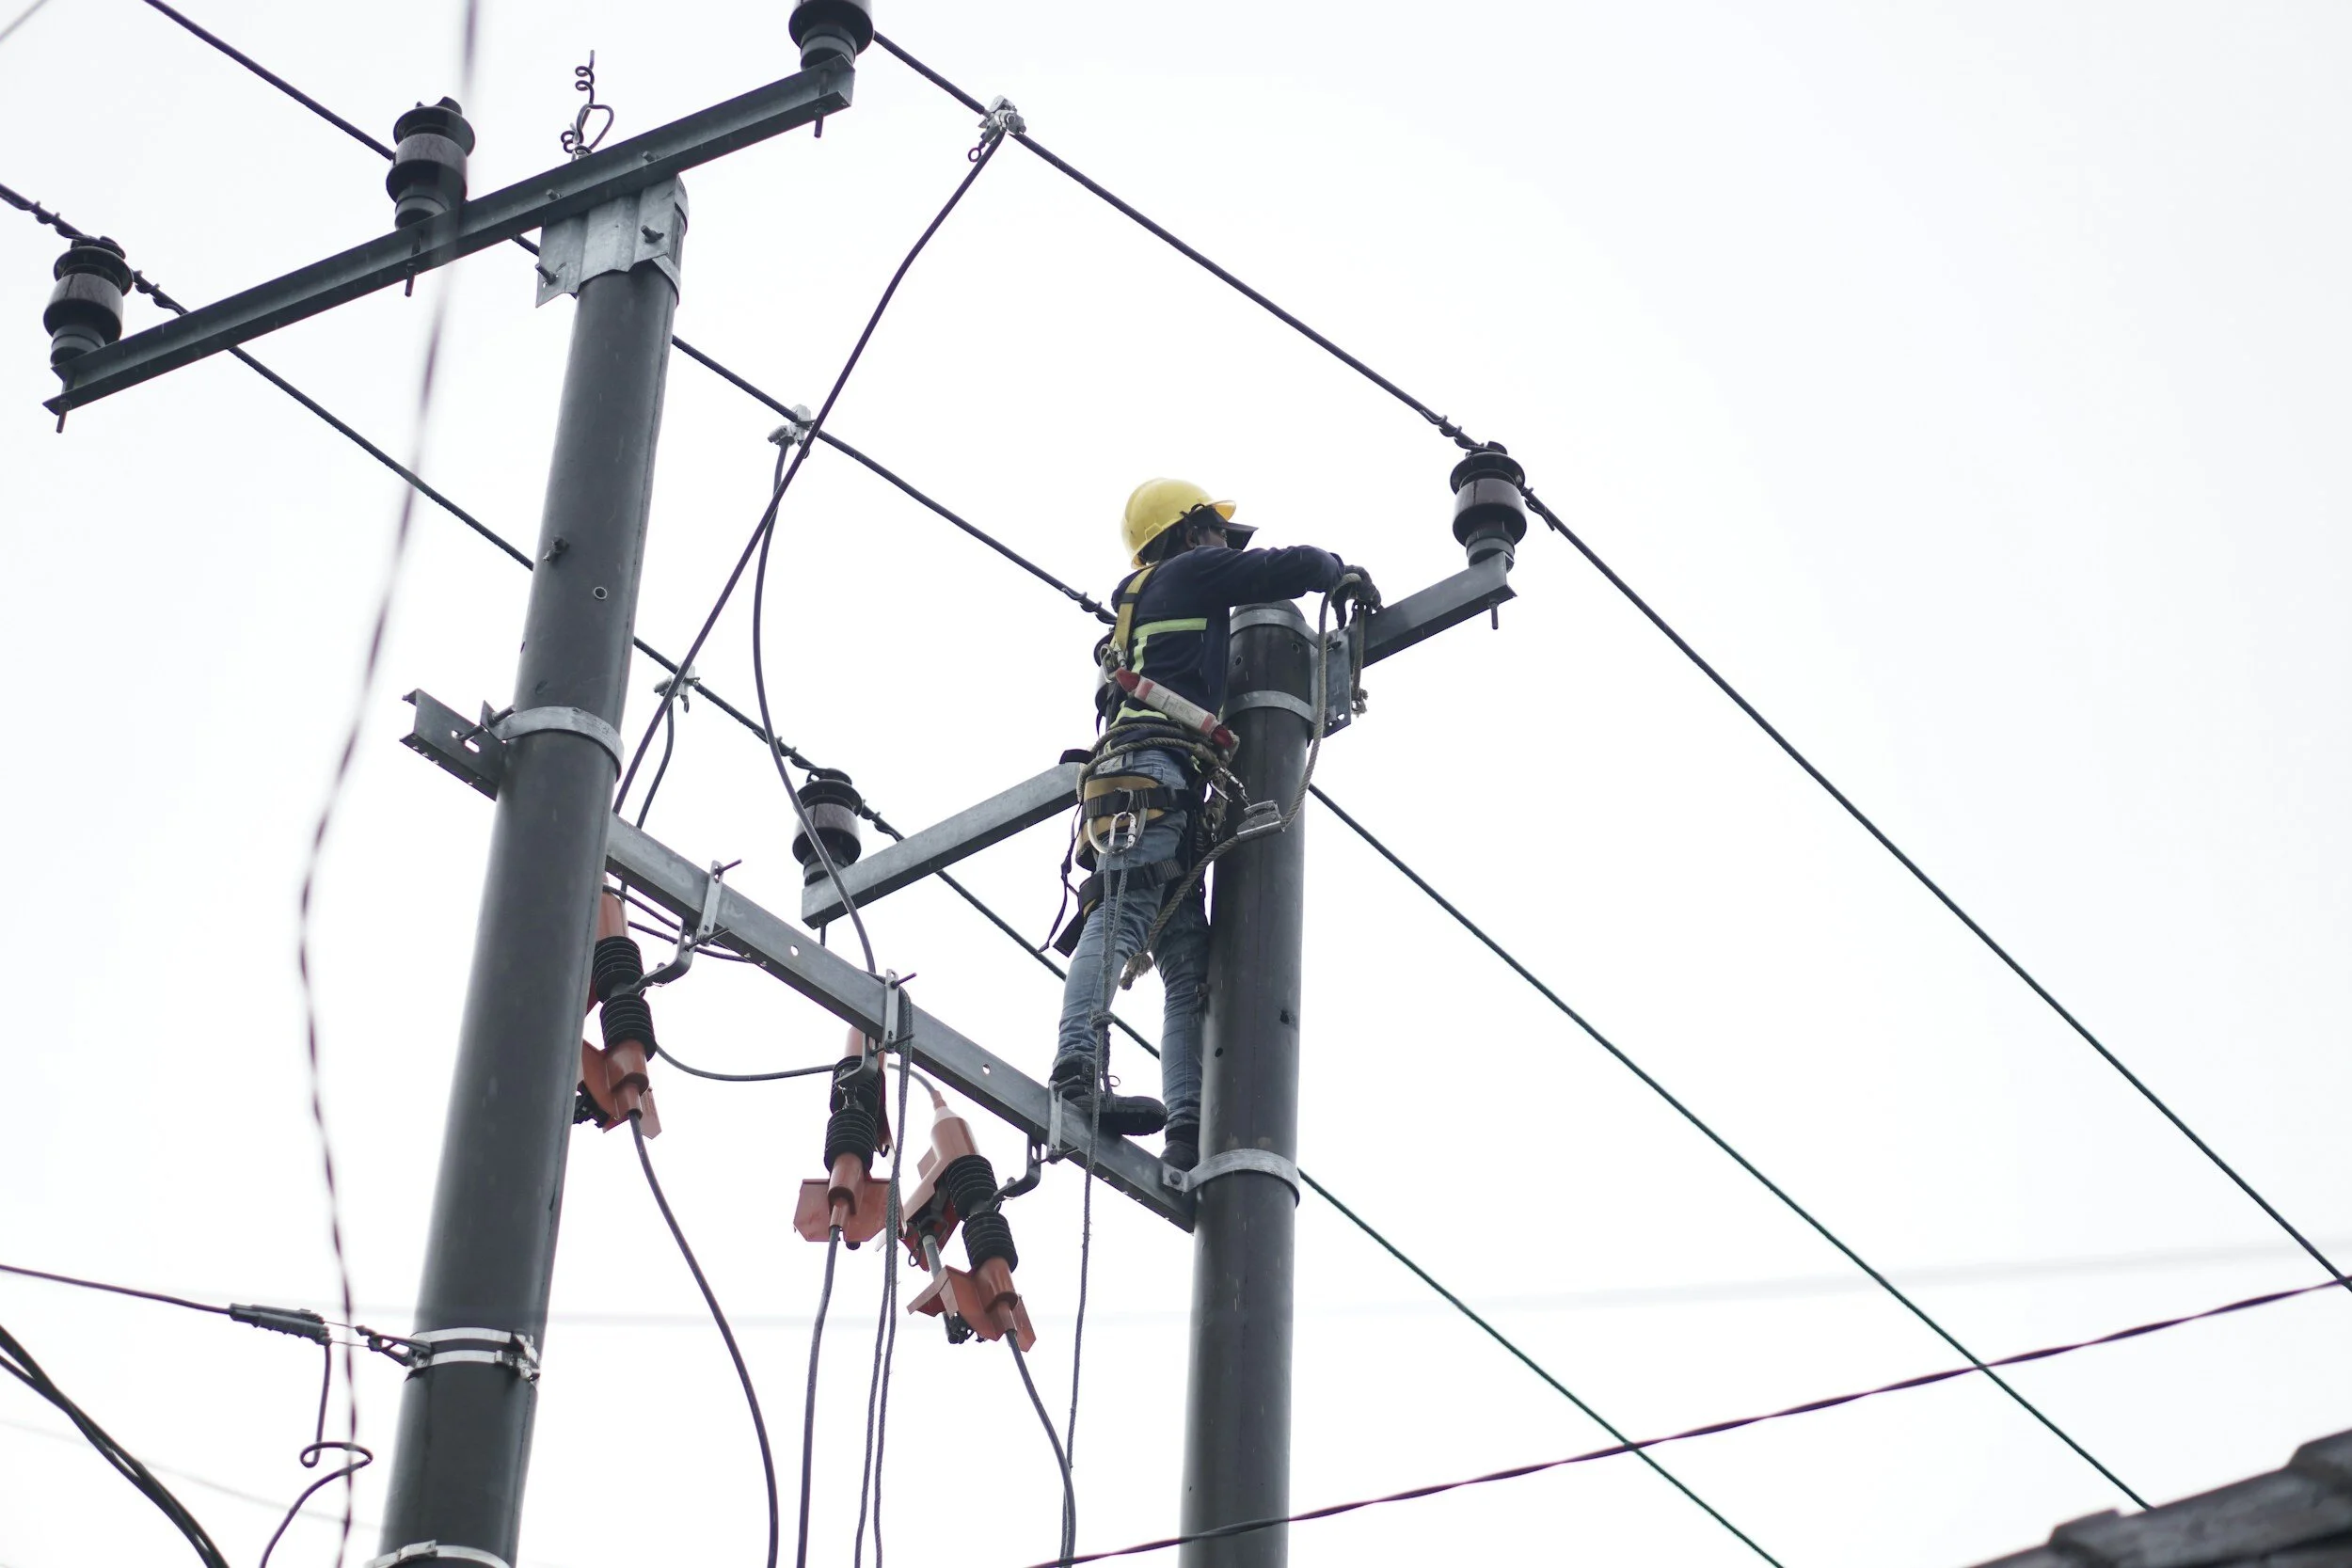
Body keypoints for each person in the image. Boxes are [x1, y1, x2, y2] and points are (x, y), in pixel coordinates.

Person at [1048, 478, 1372, 1173]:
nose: (1227, 541)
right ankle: (1076, 1063)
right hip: (1154, 779)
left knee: (1187, 966)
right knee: (1124, 918)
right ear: (1190, 531)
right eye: (1218, 531)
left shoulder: (1134, 614)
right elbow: (1285, 568)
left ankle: (1186, 1129)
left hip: (1158, 789)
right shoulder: (1189, 573)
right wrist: (1337, 568)